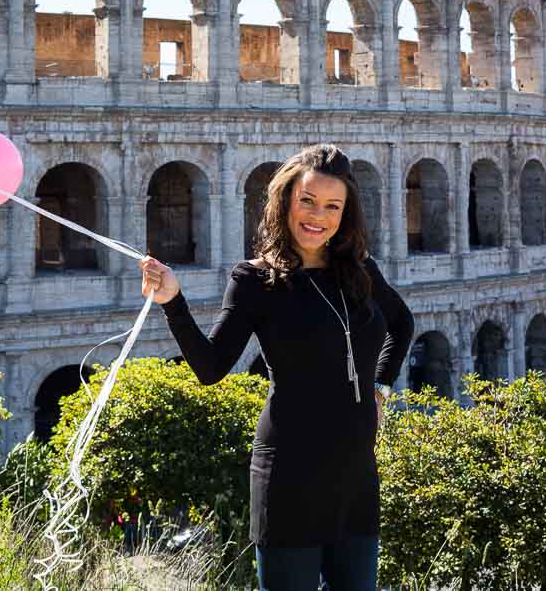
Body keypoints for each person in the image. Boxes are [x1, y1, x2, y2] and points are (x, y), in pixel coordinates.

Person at [140, 144, 414, 591]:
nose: (317, 216)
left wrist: (381, 386)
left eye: (332, 206)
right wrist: (174, 301)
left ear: (345, 214)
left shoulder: (359, 270)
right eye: (307, 201)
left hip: (356, 477)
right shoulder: (255, 280)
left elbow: (402, 325)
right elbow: (211, 368)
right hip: (289, 476)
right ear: (285, 200)